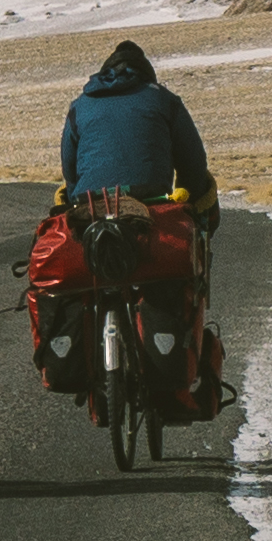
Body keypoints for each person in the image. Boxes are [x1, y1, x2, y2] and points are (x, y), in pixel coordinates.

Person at [46, 36, 228, 413]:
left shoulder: (80, 106)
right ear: (148, 75)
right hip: (151, 210)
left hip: (90, 209)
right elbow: (193, 166)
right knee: (173, 274)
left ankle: (95, 381)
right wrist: (200, 205)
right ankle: (174, 371)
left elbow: (69, 169)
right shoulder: (163, 100)